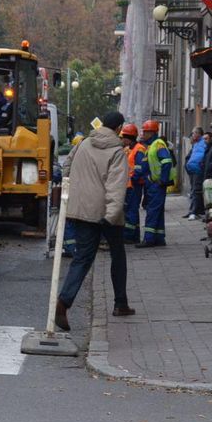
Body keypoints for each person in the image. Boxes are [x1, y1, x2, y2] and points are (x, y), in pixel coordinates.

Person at [54, 111, 132, 331]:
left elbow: (67, 168)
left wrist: (76, 193)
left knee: (82, 258)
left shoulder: (84, 143)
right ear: (118, 128)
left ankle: (63, 302)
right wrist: (111, 215)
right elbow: (116, 186)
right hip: (106, 212)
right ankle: (120, 304)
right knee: (118, 255)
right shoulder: (117, 151)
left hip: (81, 209)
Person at [134, 119, 174, 248]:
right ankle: (159, 238)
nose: (143, 135)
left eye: (145, 132)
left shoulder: (158, 145)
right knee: (157, 211)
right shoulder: (151, 146)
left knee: (152, 211)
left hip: (158, 185)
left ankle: (149, 239)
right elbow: (145, 165)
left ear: (151, 133)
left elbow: (167, 162)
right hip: (154, 184)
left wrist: (162, 180)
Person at [120, 123, 144, 243]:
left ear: (128, 138)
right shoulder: (130, 149)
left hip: (134, 185)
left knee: (131, 211)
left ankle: (129, 236)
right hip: (130, 185)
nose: (121, 140)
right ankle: (135, 235)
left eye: (123, 137)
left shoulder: (138, 149)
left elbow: (139, 168)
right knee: (132, 210)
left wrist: (133, 180)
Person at [184, 126, 207, 220]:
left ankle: (193, 212)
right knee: (194, 190)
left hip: (197, 170)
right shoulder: (196, 143)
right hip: (192, 170)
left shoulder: (203, 142)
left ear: (199, 134)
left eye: (194, 133)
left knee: (196, 191)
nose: (192, 135)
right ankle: (198, 211)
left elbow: (202, 156)